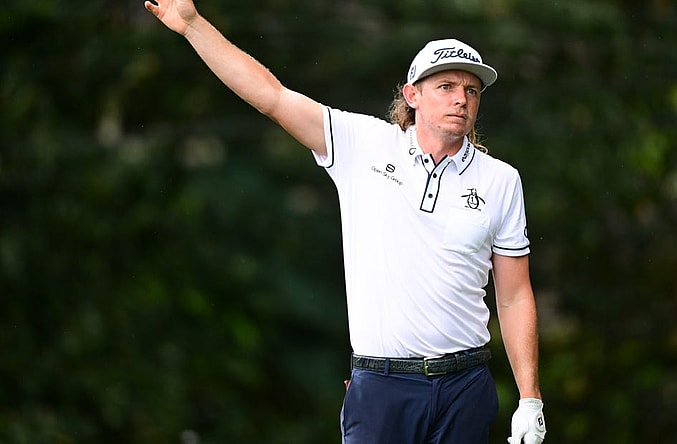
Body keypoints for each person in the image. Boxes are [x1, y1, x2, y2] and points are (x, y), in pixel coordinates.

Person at [144, 1, 547, 442]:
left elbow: (513, 296)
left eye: (472, 91)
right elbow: (272, 96)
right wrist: (192, 26)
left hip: (465, 386)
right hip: (381, 386)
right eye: (446, 85)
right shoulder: (365, 144)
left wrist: (530, 398)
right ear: (412, 95)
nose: (461, 99)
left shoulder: (502, 180)